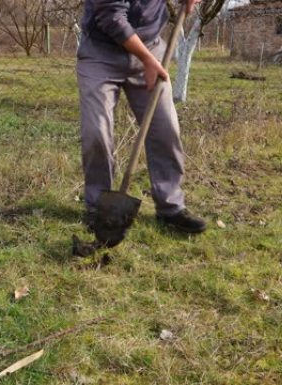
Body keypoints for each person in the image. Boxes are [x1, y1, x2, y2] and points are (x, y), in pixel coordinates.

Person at [78, 0, 207, 234]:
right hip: (101, 52)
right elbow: (110, 17)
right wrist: (147, 59)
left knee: (165, 128)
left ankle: (171, 208)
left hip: (151, 46)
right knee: (96, 131)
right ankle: (98, 208)